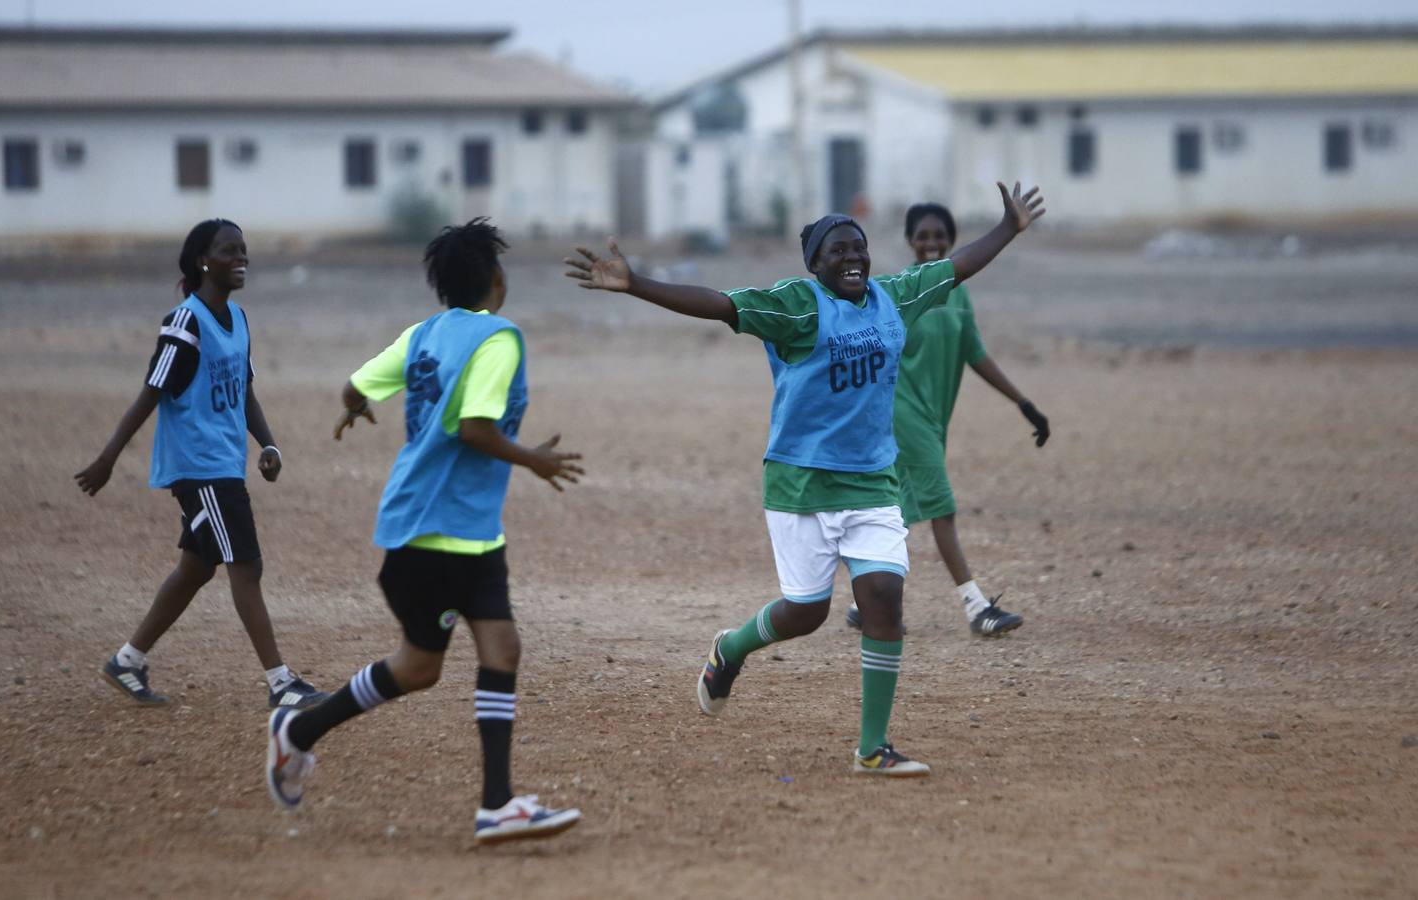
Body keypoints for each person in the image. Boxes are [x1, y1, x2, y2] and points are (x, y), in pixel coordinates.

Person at [567, 182, 1045, 777]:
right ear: (815, 265)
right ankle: (731, 648)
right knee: (806, 612)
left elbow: (957, 268)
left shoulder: (894, 296)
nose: (852, 260)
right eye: (837, 252)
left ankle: (872, 749)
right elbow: (718, 303)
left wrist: (1008, 227)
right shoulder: (795, 306)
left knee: (884, 602)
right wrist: (637, 284)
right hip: (801, 484)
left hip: (873, 482)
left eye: (859, 249)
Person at [265, 218, 585, 845]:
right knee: (418, 668)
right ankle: (296, 733)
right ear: (497, 279)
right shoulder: (499, 339)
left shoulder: (422, 336)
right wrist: (536, 460)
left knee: (500, 650)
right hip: (428, 534)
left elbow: (355, 387)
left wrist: (357, 410)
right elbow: (475, 428)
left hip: (468, 533)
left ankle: (498, 804)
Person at [75, 218, 327, 710]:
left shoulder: (238, 320)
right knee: (246, 565)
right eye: (229, 251)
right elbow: (150, 393)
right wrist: (107, 459)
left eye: (244, 250)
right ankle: (281, 683)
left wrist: (268, 446)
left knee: (197, 566)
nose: (241, 259)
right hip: (201, 467)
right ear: (202, 261)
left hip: (225, 463)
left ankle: (127, 661)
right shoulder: (185, 322)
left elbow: (244, 392)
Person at [846, 203, 1050, 637]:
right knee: (942, 508)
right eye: (924, 235)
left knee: (894, 513)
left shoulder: (959, 293)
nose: (932, 243)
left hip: (935, 419)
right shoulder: (901, 292)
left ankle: (866, 602)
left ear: (953, 241)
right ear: (909, 240)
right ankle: (976, 607)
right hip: (903, 415)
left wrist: (1022, 402)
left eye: (941, 236)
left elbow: (974, 353)